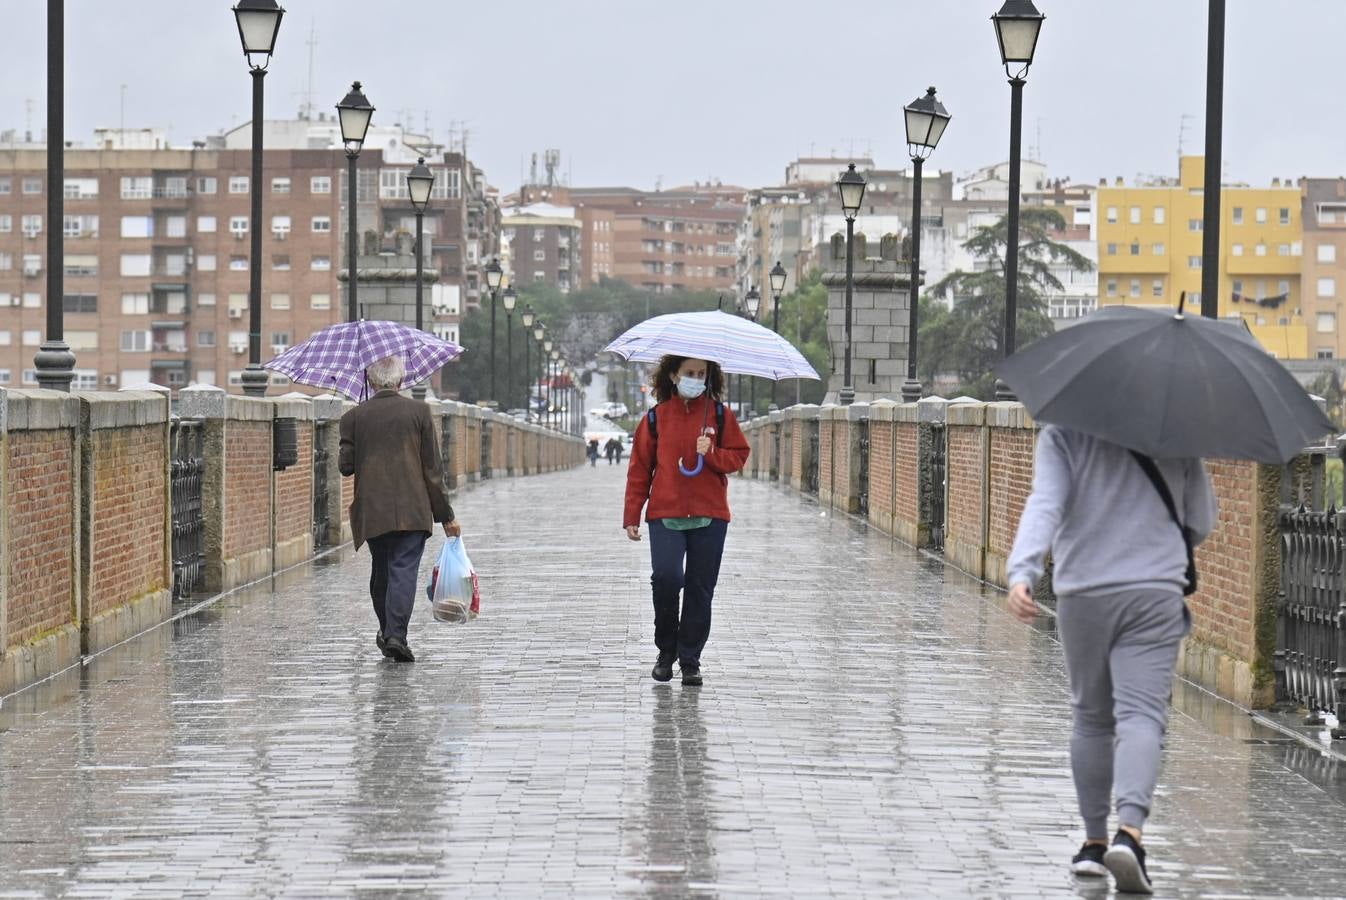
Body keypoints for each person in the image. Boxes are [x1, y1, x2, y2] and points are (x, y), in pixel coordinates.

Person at [1006, 425, 1217, 895]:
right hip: (1153, 590)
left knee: (1091, 717)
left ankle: (1093, 844)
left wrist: (1023, 571)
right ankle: (1130, 834)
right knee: (1141, 714)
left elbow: (1046, 504)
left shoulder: (1064, 430)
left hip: (1084, 589)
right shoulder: (1176, 428)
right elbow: (1200, 520)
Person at [623, 355, 750, 687]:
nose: (696, 379)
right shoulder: (655, 419)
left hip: (710, 516)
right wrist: (632, 514)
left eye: (702, 374)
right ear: (674, 376)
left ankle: (690, 659)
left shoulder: (720, 416)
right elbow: (639, 469)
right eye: (689, 373)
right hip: (665, 513)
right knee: (666, 578)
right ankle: (666, 652)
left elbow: (738, 456)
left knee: (699, 588)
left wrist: (713, 453)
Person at [339, 355, 461, 663]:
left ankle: (387, 631)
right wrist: (445, 516)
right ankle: (395, 635)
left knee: (381, 571)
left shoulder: (354, 417)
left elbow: (345, 467)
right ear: (401, 381)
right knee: (403, 571)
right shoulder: (419, 412)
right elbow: (433, 470)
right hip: (413, 509)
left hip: (373, 510)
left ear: (370, 381)